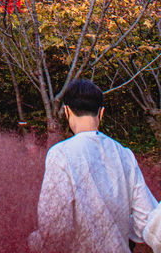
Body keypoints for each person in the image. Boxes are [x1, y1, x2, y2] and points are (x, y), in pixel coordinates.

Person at [28, 79, 161, 253]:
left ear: (67, 111)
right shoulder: (124, 154)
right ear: (101, 113)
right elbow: (147, 221)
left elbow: (55, 231)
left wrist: (33, 241)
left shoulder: (61, 154)